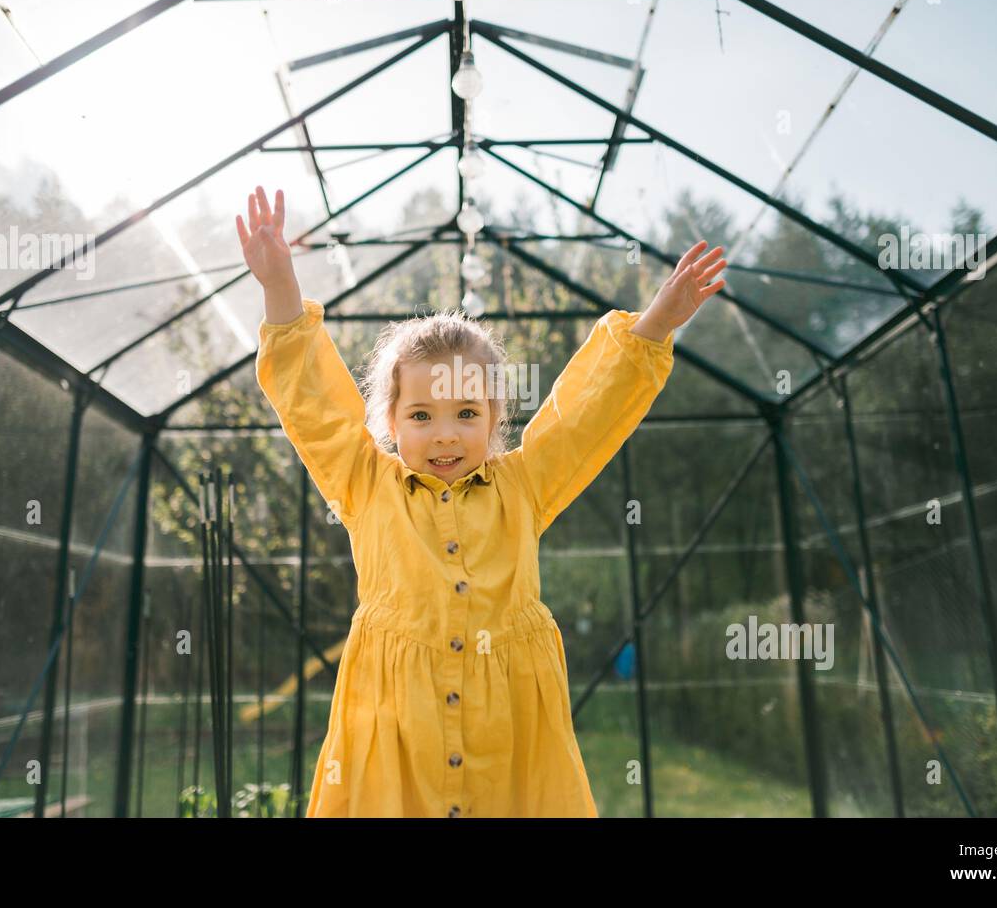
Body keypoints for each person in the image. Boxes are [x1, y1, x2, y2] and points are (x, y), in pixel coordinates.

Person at [236, 186, 726, 817]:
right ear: (390, 419)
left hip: (510, 730)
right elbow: (316, 407)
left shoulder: (525, 485)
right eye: (422, 414)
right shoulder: (364, 482)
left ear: (495, 417)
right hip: (395, 728)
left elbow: (584, 415)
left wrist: (657, 320)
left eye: (466, 412)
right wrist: (279, 287)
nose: (445, 433)